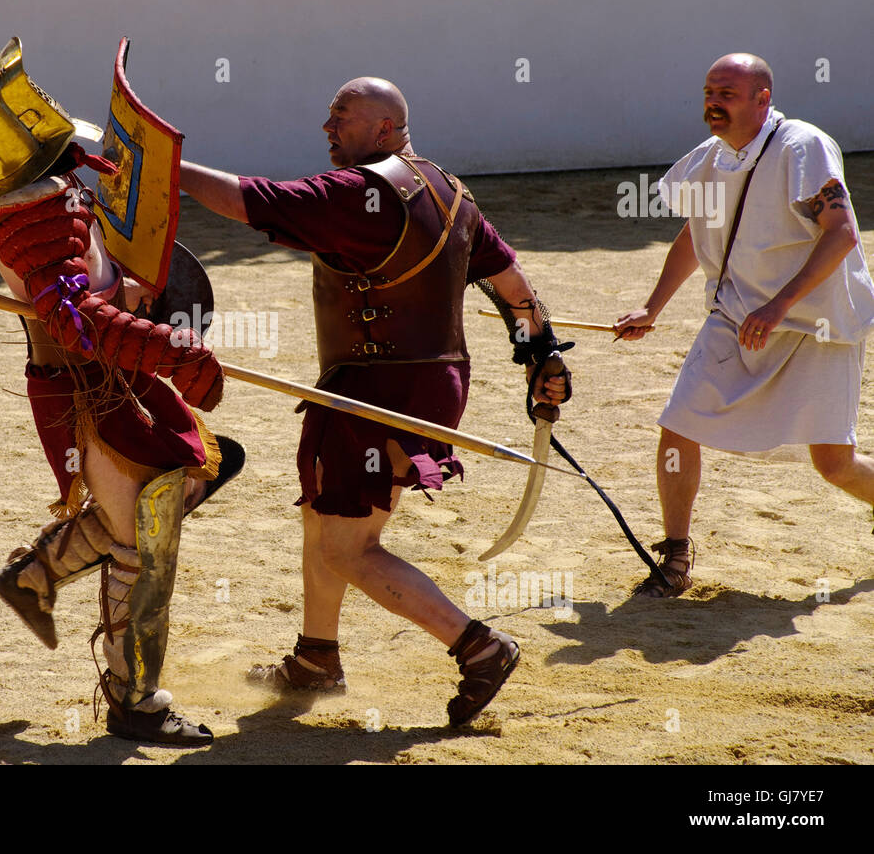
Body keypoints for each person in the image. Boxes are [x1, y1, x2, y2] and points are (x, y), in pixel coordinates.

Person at [179, 77, 570, 726]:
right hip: (408, 381)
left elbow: (254, 199)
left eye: (342, 117)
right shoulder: (448, 191)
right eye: (329, 115)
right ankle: (316, 657)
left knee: (350, 547)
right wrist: (541, 352)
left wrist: (169, 169)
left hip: (381, 389)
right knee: (322, 514)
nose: (328, 127)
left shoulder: (359, 194)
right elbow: (513, 285)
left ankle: (479, 646)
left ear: (384, 129)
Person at [0, 142, 231, 746]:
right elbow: (78, 321)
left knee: (193, 478)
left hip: (114, 378)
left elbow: (95, 291)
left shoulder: (56, 200)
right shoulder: (34, 213)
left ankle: (37, 574)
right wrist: (173, 350)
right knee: (144, 543)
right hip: (88, 392)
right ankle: (134, 701)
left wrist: (135, 294)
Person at [616, 53, 874, 597]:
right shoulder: (710, 158)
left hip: (816, 325)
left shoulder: (802, 146)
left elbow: (842, 234)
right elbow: (694, 236)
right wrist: (652, 307)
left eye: (728, 93)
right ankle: (676, 555)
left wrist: (778, 306)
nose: (713, 102)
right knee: (678, 425)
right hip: (736, 318)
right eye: (710, 91)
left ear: (763, 98)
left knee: (833, 464)